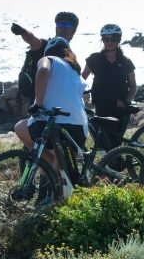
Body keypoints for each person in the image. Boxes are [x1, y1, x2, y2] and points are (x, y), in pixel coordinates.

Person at [14, 37, 88, 205]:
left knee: (19, 128)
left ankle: (46, 168)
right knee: (60, 168)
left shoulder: (47, 59)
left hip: (50, 122)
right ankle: (55, 195)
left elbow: (43, 72)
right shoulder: (74, 69)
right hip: (78, 127)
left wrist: (38, 103)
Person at [11, 12, 79, 115]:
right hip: (39, 104)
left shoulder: (70, 55)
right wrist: (23, 31)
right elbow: (32, 40)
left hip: (60, 106)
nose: (63, 28)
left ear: (74, 30)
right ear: (56, 28)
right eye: (60, 25)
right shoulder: (46, 46)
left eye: (67, 25)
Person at [81, 23, 137, 149]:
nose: (109, 42)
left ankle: (117, 165)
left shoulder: (126, 61)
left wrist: (126, 101)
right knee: (101, 141)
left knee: (115, 142)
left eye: (113, 39)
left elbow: (133, 86)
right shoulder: (94, 59)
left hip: (120, 106)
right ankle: (107, 165)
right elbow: (81, 79)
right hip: (101, 104)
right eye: (106, 39)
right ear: (102, 40)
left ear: (118, 40)